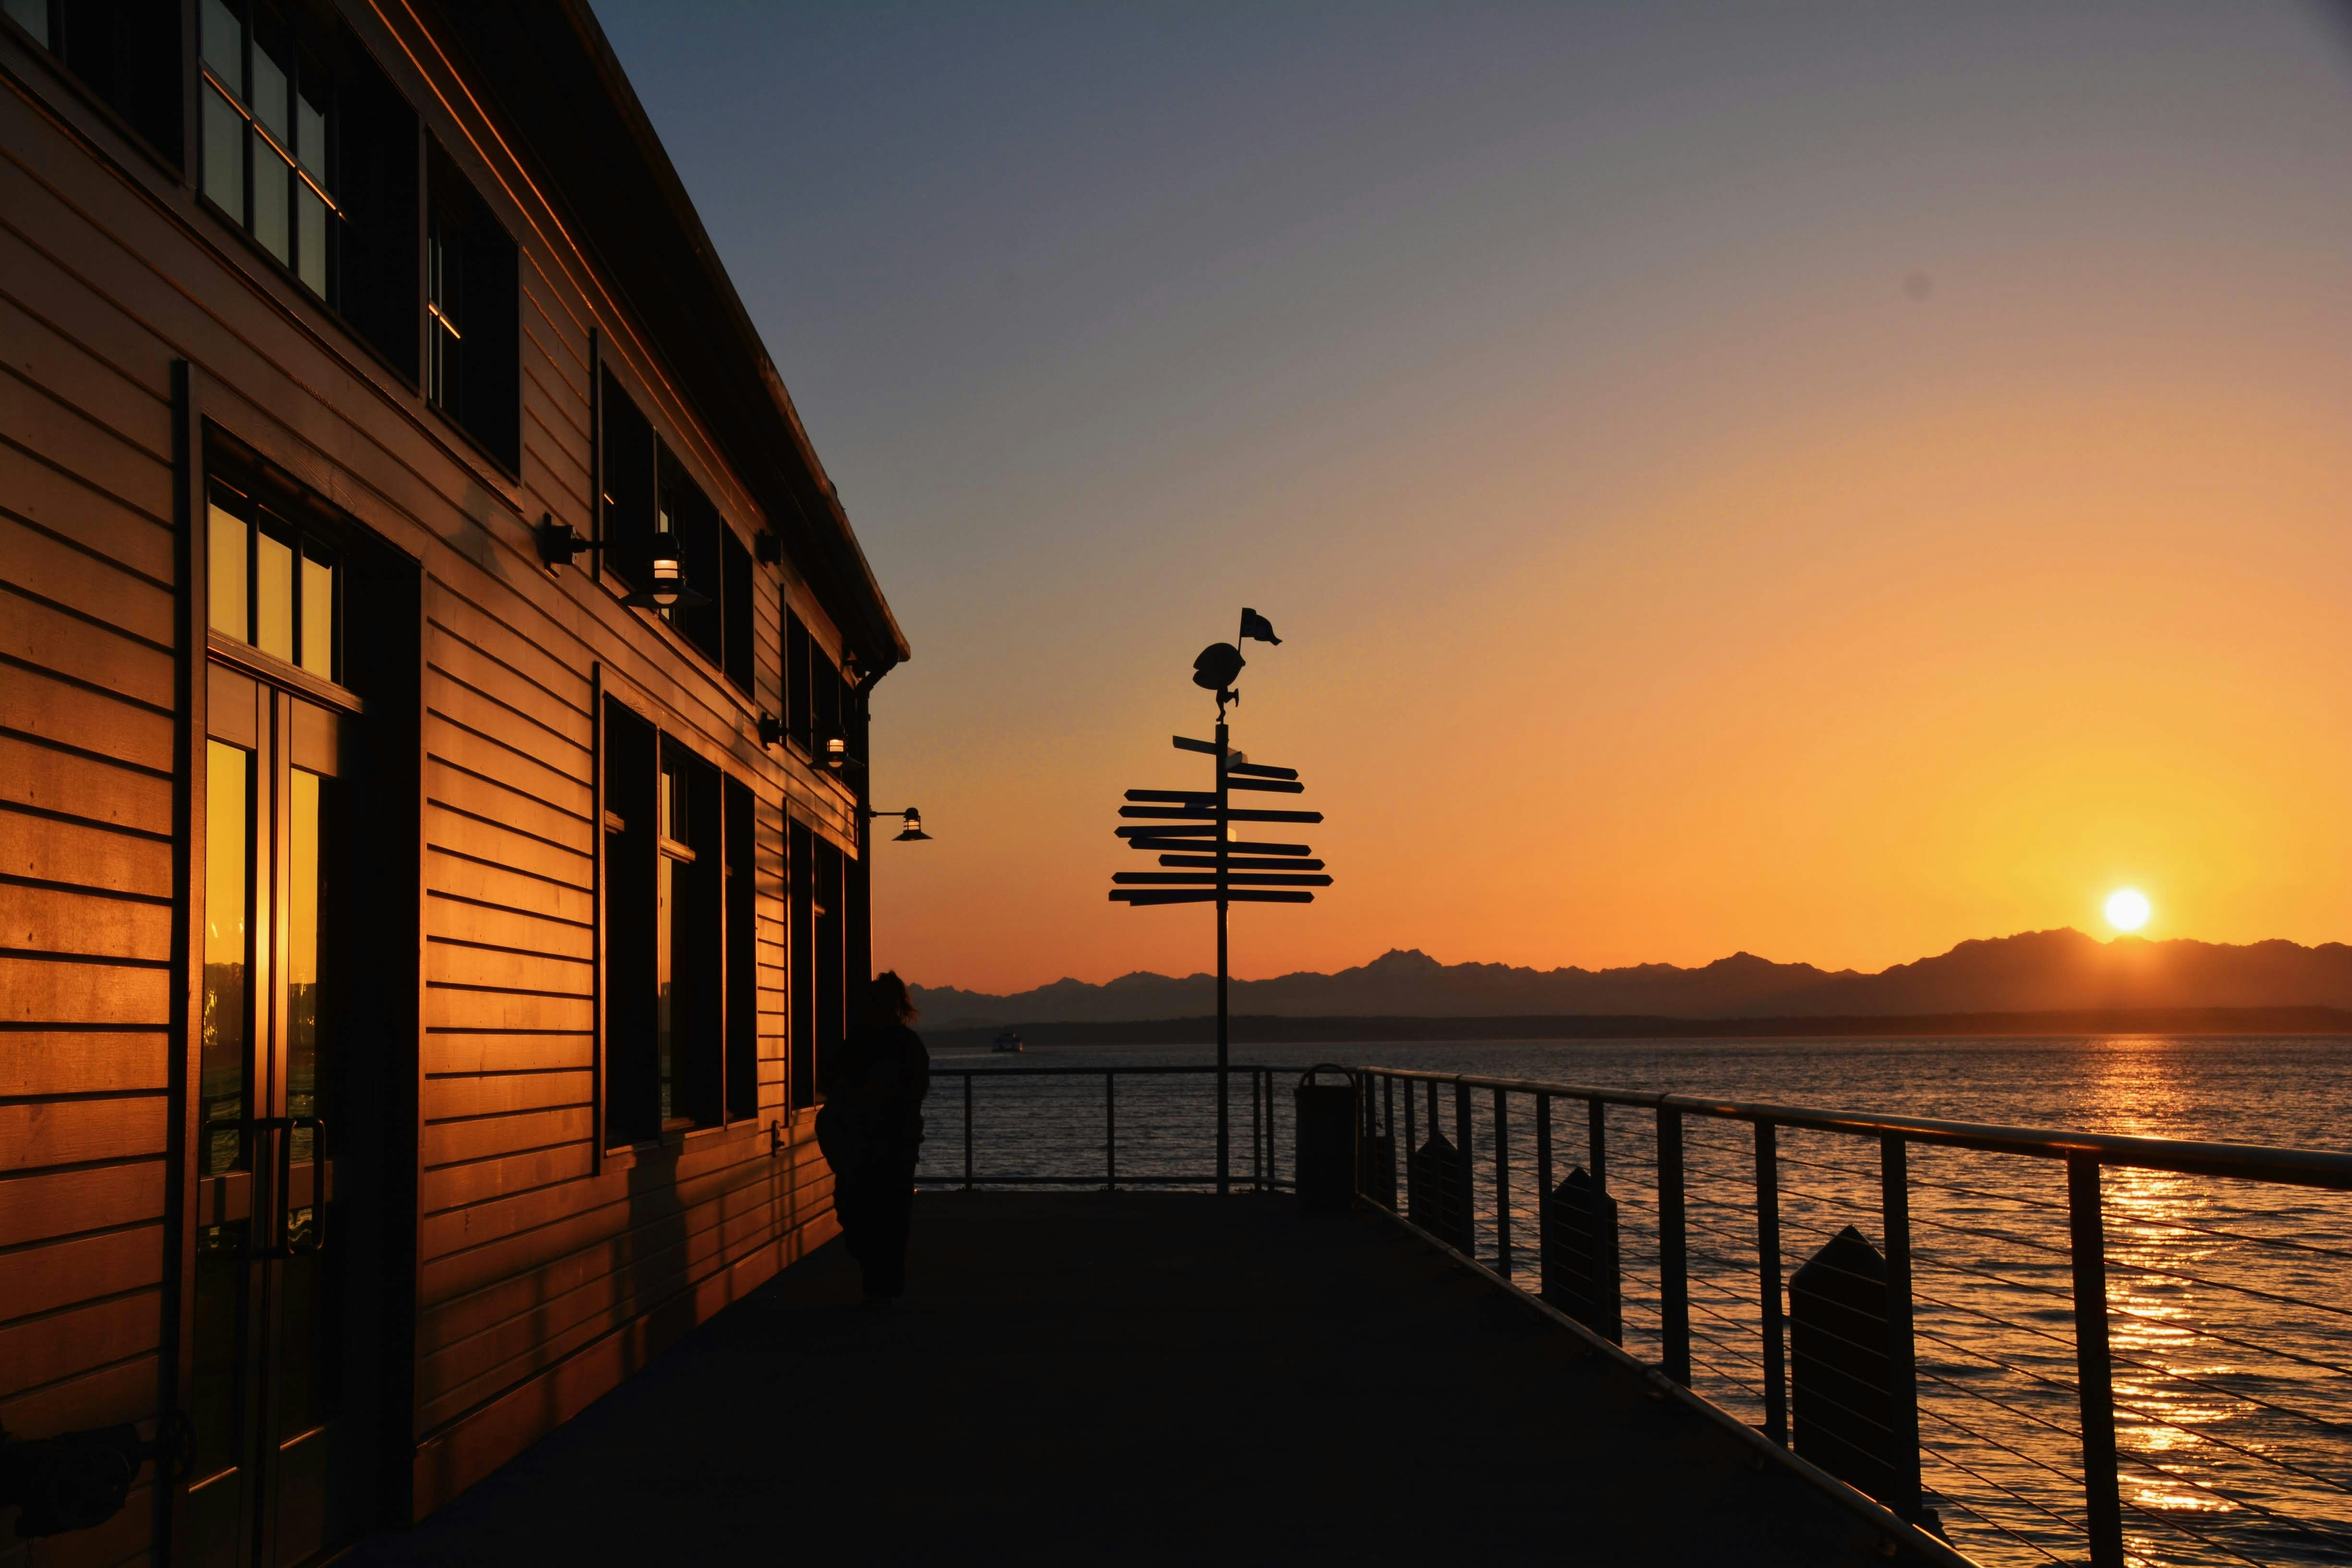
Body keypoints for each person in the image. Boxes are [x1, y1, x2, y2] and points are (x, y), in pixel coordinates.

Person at [820, 971, 930, 1302]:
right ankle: (883, 1279)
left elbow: (913, 1094)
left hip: (889, 1146)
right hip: (874, 1146)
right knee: (875, 1216)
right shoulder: (868, 1044)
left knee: (882, 1217)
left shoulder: (898, 1046)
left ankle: (882, 1284)